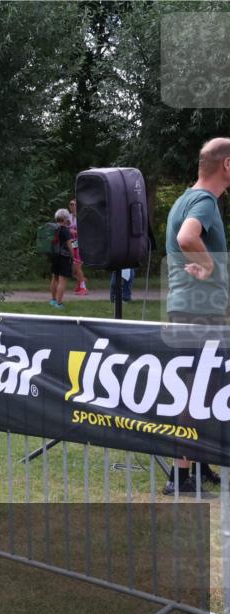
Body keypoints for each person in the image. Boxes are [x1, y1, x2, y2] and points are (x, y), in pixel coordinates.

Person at [162, 136, 230, 495]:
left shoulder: (185, 199)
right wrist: (210, 269)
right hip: (197, 313)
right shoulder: (203, 201)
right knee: (193, 392)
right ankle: (181, 476)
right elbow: (189, 238)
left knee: (202, 391)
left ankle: (198, 465)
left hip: (190, 309)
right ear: (227, 165)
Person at [48, 208, 76, 309]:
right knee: (62, 280)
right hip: (64, 257)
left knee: (54, 278)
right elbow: (69, 245)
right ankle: (59, 304)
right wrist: (73, 256)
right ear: (65, 218)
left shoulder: (53, 229)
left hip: (54, 256)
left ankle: (53, 300)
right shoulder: (65, 230)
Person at [68, 199, 89, 295]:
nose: (72, 206)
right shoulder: (69, 216)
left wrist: (75, 232)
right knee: (73, 268)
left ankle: (83, 287)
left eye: (74, 204)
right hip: (72, 244)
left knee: (77, 267)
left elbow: (86, 231)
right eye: (70, 204)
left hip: (80, 244)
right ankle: (81, 282)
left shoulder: (82, 217)